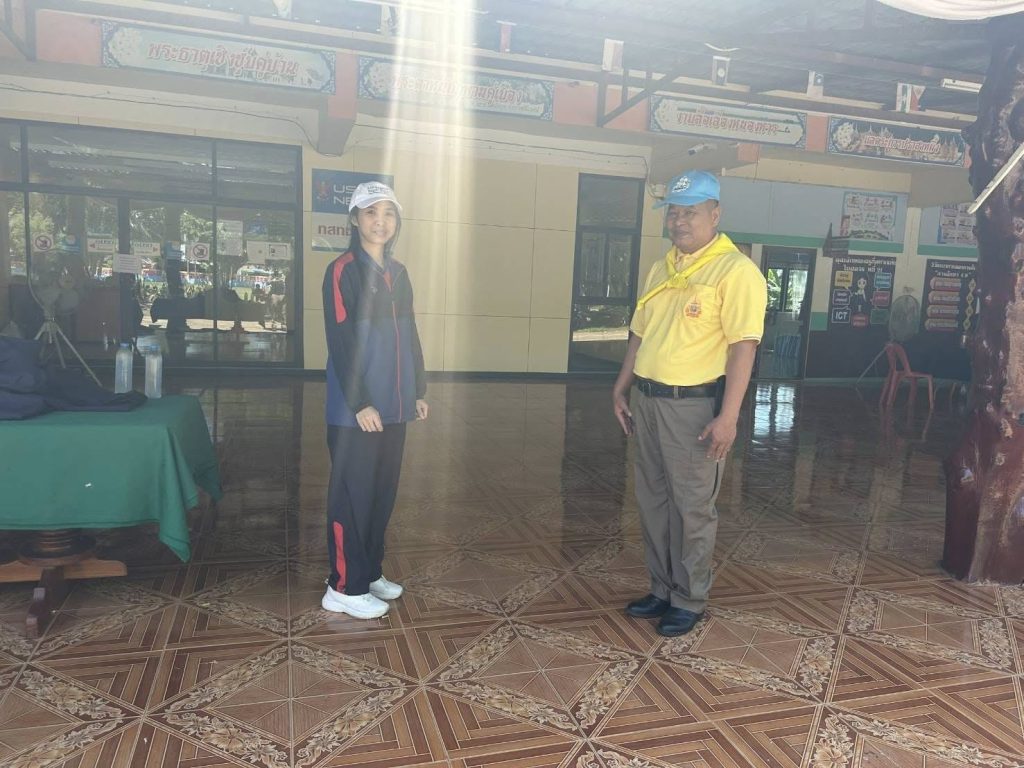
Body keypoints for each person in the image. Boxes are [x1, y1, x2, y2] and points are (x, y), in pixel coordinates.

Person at [612, 171, 767, 637]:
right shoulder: (663, 268)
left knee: (692, 508)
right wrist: (621, 387)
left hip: (694, 409)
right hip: (648, 401)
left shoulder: (735, 271)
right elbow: (639, 334)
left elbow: (743, 347)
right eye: (673, 213)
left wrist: (729, 417)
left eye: (690, 212)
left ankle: (689, 598)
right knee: (653, 502)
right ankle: (661, 589)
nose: (679, 221)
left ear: (715, 214)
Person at [321, 181, 428, 619]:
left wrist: (418, 389)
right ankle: (344, 586)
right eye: (370, 212)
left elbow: (410, 333)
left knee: (381, 494)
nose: (380, 221)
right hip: (356, 411)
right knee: (353, 495)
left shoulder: (398, 273)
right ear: (354, 219)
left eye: (388, 213)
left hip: (394, 405)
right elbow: (341, 341)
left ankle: (368, 572)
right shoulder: (342, 271)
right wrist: (360, 401)